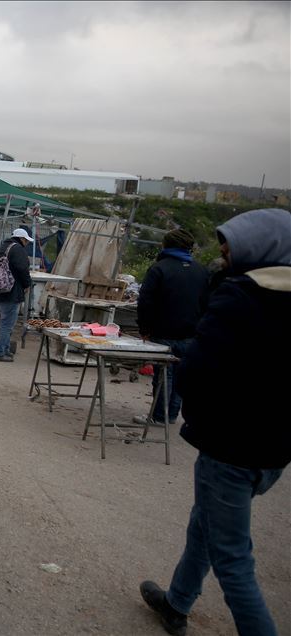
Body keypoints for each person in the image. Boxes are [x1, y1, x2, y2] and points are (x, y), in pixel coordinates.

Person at [139, 208, 290, 636]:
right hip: (275, 450)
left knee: (233, 560)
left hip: (230, 446)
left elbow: (196, 370)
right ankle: (177, 602)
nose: (221, 253)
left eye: (228, 246)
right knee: (203, 525)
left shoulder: (240, 296)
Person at [133, 228, 208, 427]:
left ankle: (159, 416)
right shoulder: (201, 270)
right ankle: (171, 414)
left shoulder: (160, 268)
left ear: (166, 245)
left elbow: (145, 301)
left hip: (163, 332)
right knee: (180, 376)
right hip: (191, 334)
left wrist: (144, 328)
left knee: (163, 375)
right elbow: (207, 302)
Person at [0, 228, 33, 362]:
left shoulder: (3, 247)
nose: (27, 243)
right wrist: (27, 284)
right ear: (22, 239)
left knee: (5, 322)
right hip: (11, 292)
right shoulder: (17, 249)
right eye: (26, 241)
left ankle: (6, 349)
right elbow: (22, 269)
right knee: (7, 324)